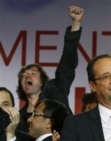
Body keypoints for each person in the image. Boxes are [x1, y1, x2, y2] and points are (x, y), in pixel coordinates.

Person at [15, 5, 84, 141]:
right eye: (23, 74)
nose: (27, 75)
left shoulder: (56, 90)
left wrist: (75, 24)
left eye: (33, 72)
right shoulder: (20, 117)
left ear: (42, 82)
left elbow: (67, 63)